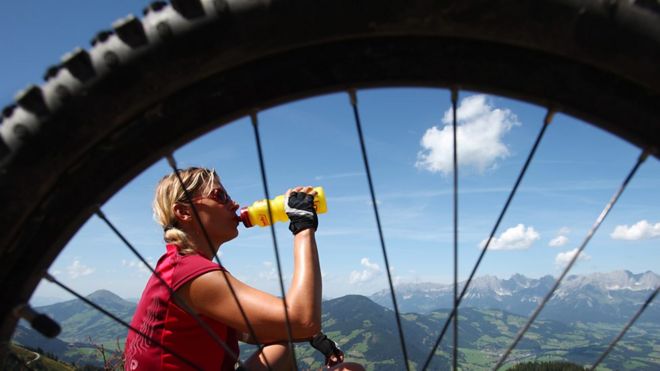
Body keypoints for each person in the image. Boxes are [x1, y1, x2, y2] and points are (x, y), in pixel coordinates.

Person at [124, 167, 364, 371]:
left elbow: (248, 330)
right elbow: (302, 319)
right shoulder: (191, 274)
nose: (234, 203)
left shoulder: (175, 265)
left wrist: (314, 338)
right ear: (184, 212)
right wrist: (303, 226)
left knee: (280, 352)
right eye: (220, 196)